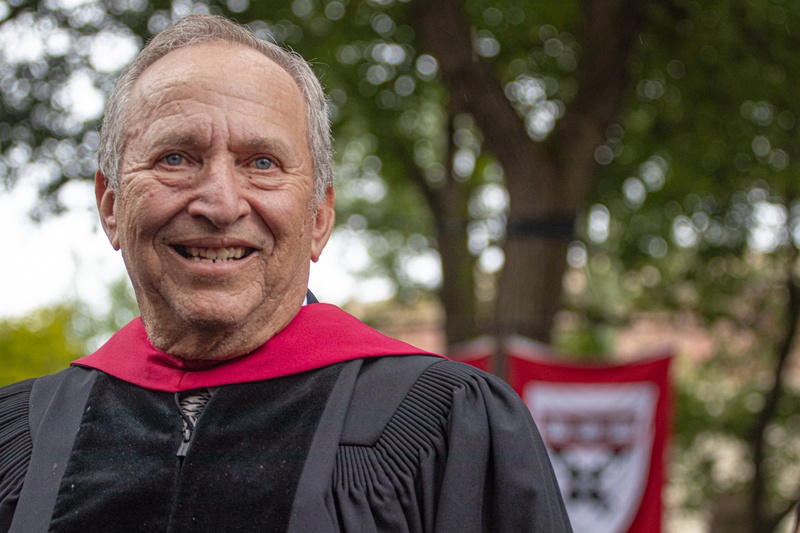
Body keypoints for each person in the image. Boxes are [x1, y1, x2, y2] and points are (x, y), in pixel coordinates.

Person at [0, 14, 571, 532]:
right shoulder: (20, 437)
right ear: (110, 206)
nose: (221, 203)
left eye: (262, 164)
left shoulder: (445, 424)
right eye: (176, 158)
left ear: (320, 217)